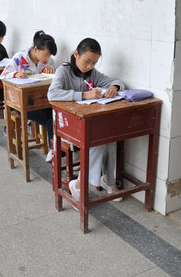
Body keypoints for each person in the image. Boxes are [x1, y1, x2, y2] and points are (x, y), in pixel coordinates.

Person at [48, 38, 124, 202]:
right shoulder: (63, 71)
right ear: (76, 54)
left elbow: (115, 81)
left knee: (110, 137)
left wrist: (114, 87)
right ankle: (79, 185)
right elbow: (52, 94)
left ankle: (107, 181)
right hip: (66, 124)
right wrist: (83, 95)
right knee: (96, 141)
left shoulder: (91, 74)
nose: (89, 66)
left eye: (94, 63)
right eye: (87, 61)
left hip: (85, 122)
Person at [1, 30, 57, 161]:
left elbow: (54, 79)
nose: (47, 58)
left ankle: (53, 149)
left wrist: (50, 72)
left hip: (42, 101)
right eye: (46, 54)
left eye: (49, 55)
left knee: (55, 113)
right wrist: (15, 74)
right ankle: (54, 150)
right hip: (22, 103)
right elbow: (3, 75)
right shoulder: (20, 58)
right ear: (36, 49)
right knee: (52, 118)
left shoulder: (49, 61)